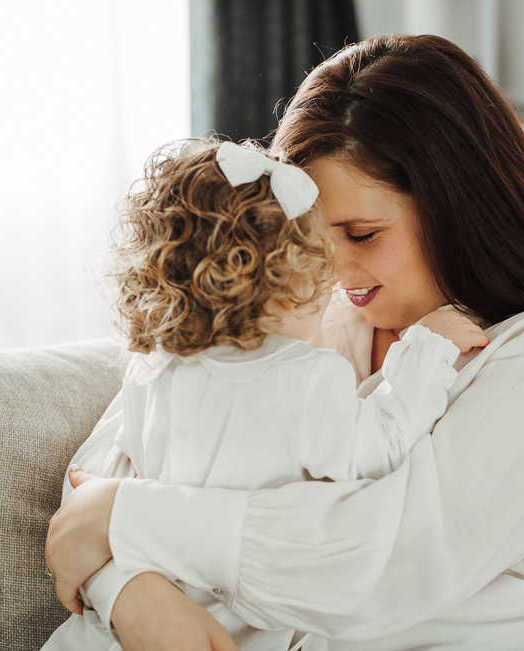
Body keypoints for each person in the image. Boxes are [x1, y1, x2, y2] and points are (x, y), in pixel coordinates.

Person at [46, 34, 524, 651]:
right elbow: (92, 485)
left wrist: (130, 519)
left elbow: (390, 561)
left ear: (459, 207)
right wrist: (131, 593)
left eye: (361, 233)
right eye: (307, 241)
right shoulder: (284, 316)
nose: (331, 271)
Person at [42, 138, 488, 651]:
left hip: (107, 629)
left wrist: (118, 583)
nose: (338, 279)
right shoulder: (308, 376)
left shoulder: (153, 369)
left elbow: (92, 490)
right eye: (323, 266)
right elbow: (380, 450)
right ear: (284, 288)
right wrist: (428, 351)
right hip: (227, 628)